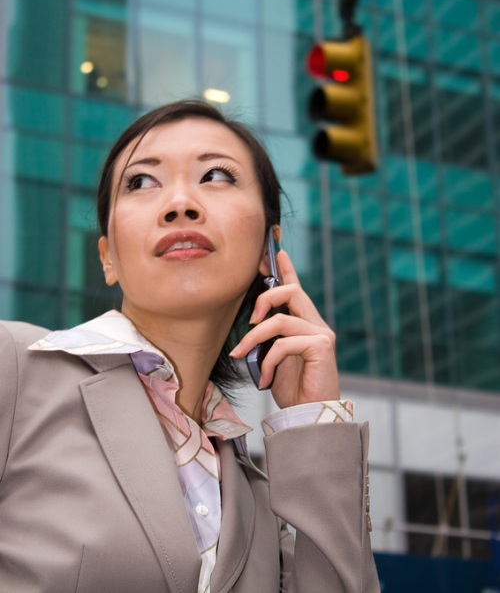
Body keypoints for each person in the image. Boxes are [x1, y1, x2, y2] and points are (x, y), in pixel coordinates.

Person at [0, 100, 380, 593]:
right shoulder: (16, 370)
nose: (180, 203)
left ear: (270, 245)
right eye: (141, 182)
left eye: (216, 176)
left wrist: (313, 418)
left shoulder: (264, 501)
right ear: (108, 256)